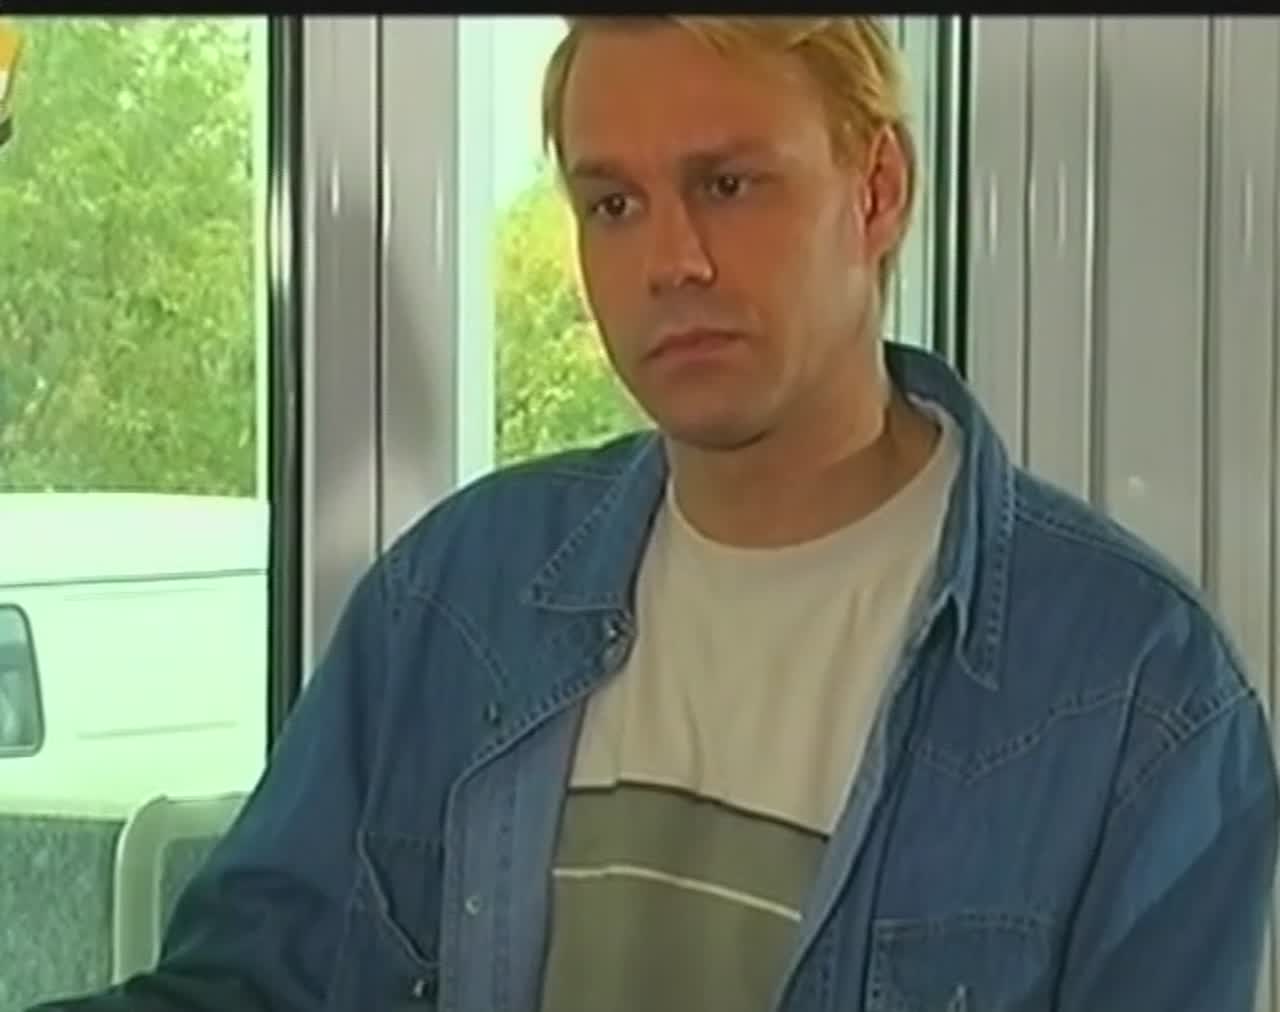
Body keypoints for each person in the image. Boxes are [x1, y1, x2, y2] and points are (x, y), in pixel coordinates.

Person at [31, 15, 1279, 1012]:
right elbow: (255, 982)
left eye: (727, 184)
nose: (668, 261)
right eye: (611, 205)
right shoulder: (453, 599)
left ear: (877, 189)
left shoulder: (1137, 691)